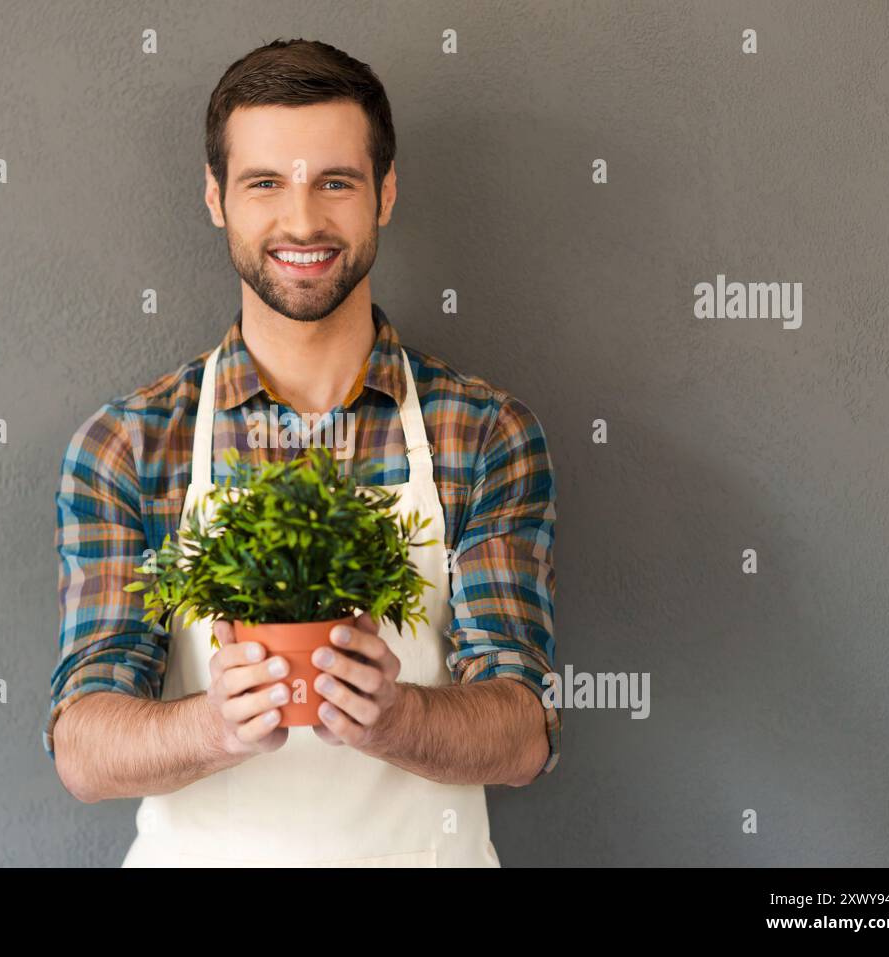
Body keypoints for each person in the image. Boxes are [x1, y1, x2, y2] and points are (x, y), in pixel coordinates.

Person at [43, 38, 560, 867]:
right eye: (264, 183)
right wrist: (213, 723)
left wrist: (398, 717)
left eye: (335, 182)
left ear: (384, 194)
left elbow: (525, 728)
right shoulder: (130, 445)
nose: (303, 220)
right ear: (216, 198)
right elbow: (83, 745)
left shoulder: (482, 432)